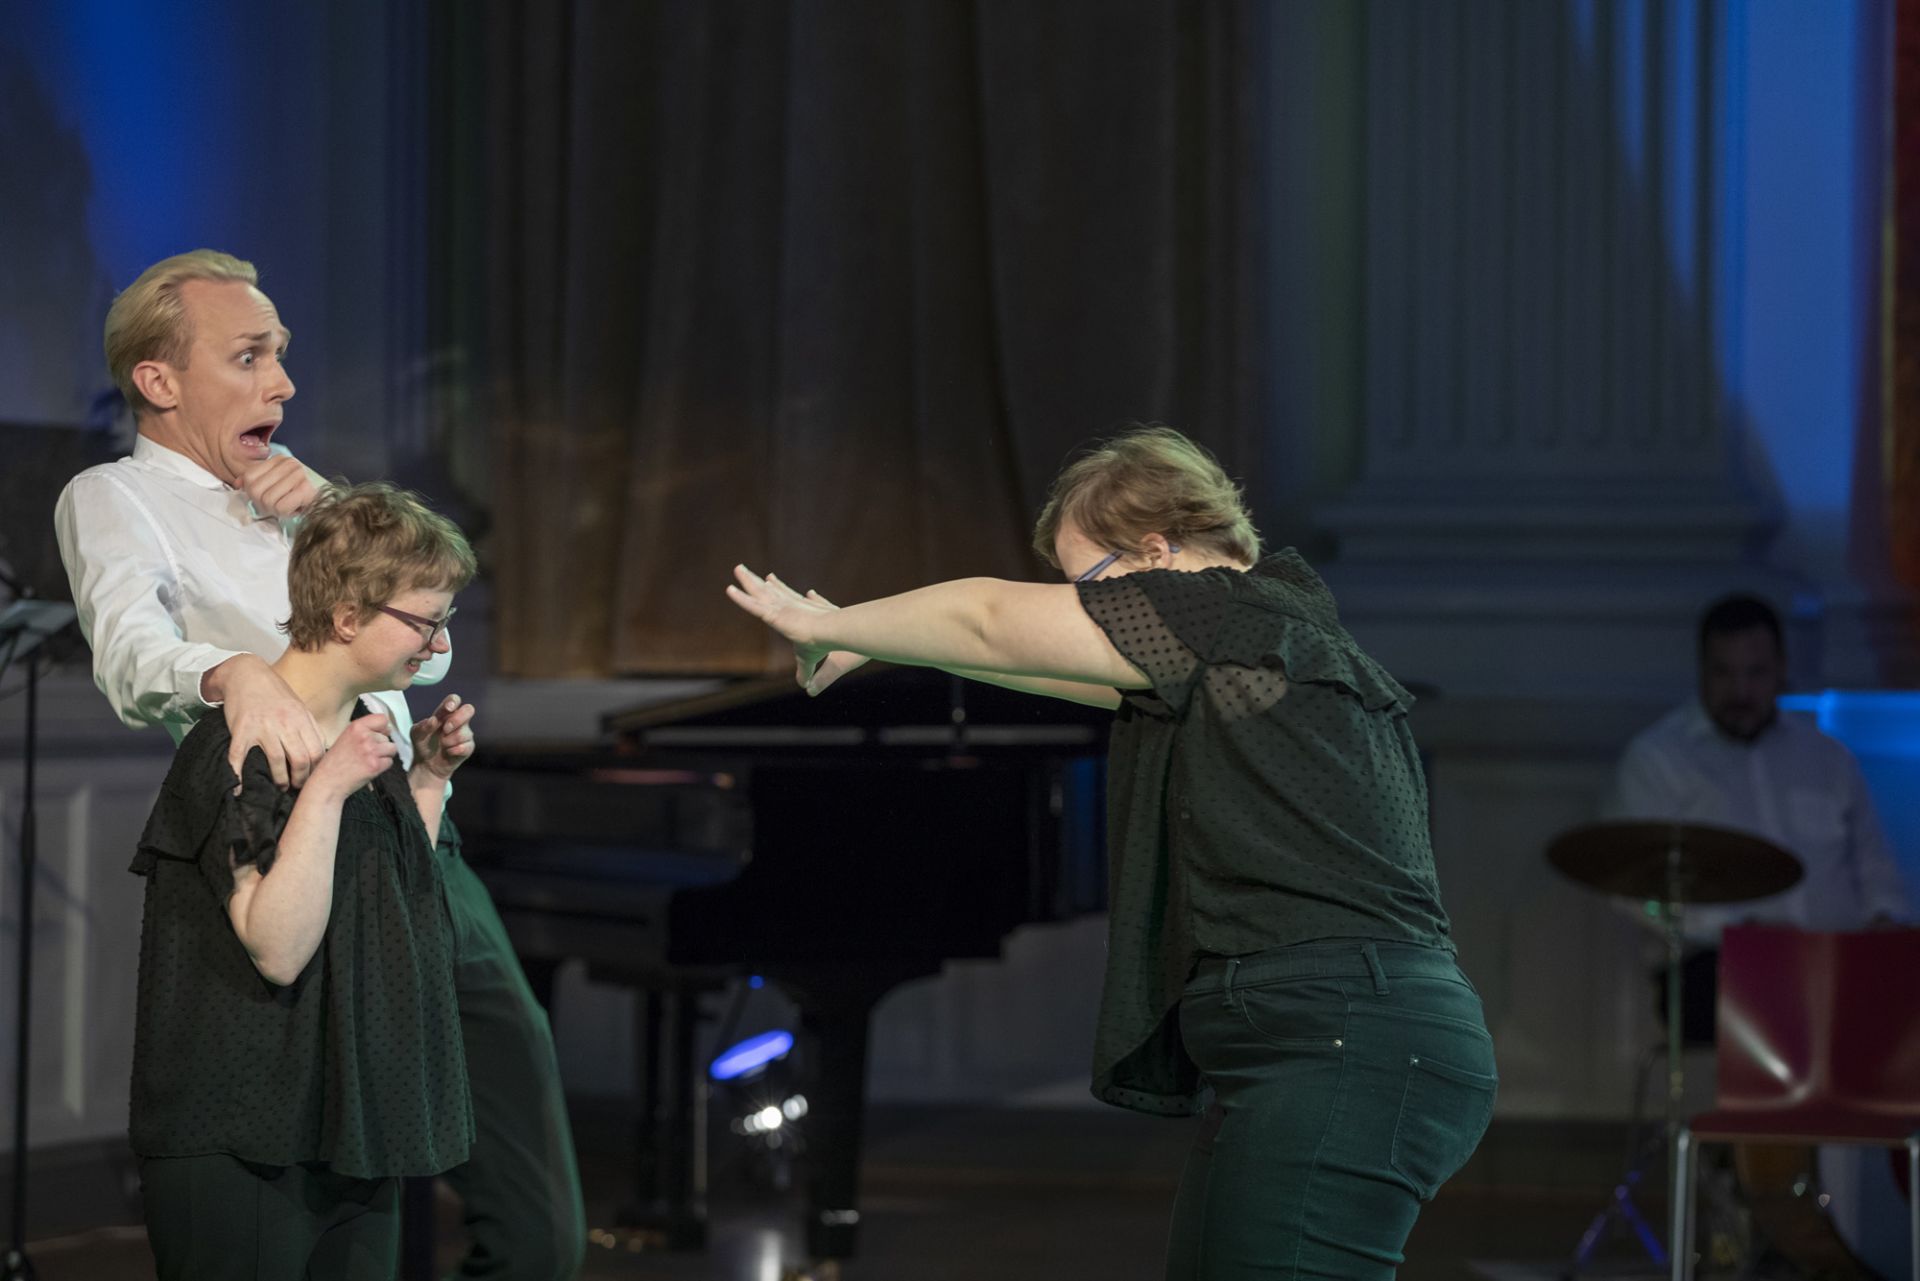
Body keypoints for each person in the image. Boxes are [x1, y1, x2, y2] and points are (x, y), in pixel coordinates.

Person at [726, 425, 1495, 1279]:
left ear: (1157, 551)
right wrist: (874, 638)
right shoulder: (1255, 645)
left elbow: (988, 622)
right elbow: (1038, 664)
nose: (1077, 608)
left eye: (1085, 586)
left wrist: (825, 619)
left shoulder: (1225, 614)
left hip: (1346, 1044)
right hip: (1336, 1042)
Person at [55, 250, 585, 1279]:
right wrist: (235, 675)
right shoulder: (116, 496)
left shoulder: (302, 495)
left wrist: (329, 517)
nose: (283, 385)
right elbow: (127, 658)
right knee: (323, 1197)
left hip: (411, 835)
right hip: (286, 841)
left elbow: (418, 655)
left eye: (282, 356)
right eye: (249, 357)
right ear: (160, 381)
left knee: (535, 1215)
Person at [129, 482, 477, 1277]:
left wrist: (427, 780)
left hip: (347, 1121)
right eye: (426, 622)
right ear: (349, 616)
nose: (437, 644)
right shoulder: (239, 745)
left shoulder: (366, 728)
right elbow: (278, 946)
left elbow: (389, 905)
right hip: (246, 1131)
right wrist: (326, 786)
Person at [1607, 594, 1908, 1040]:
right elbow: (1636, 888)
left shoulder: (1827, 758)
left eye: (1755, 673)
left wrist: (1885, 919)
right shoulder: (1659, 759)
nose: (1740, 692)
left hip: (1840, 961)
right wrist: (1734, 930)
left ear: (1781, 669)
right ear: (1702, 671)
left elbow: (1873, 863)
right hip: (1718, 965)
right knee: (1762, 992)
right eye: (1724, 673)